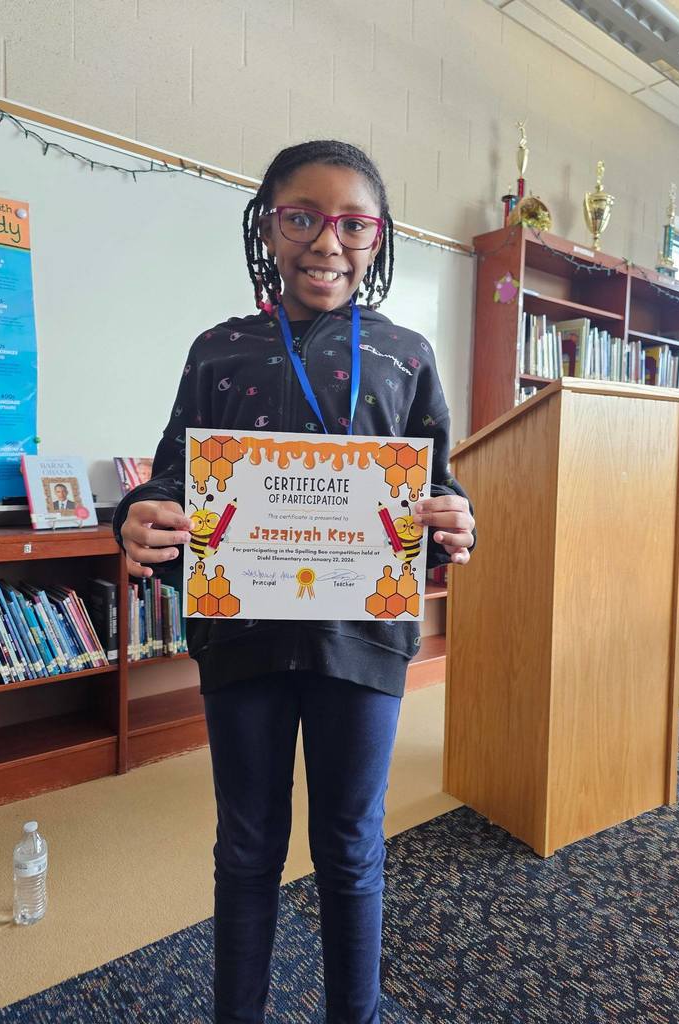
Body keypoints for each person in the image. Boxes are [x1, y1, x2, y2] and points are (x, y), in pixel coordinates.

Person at [113, 140, 475, 1024]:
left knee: (351, 846)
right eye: (302, 217)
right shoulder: (219, 351)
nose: (327, 242)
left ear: (377, 237)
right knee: (246, 845)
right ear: (266, 228)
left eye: (354, 223)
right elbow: (173, 477)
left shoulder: (407, 355)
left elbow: (439, 484)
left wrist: (456, 520)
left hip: (364, 639)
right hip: (243, 637)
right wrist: (142, 516)